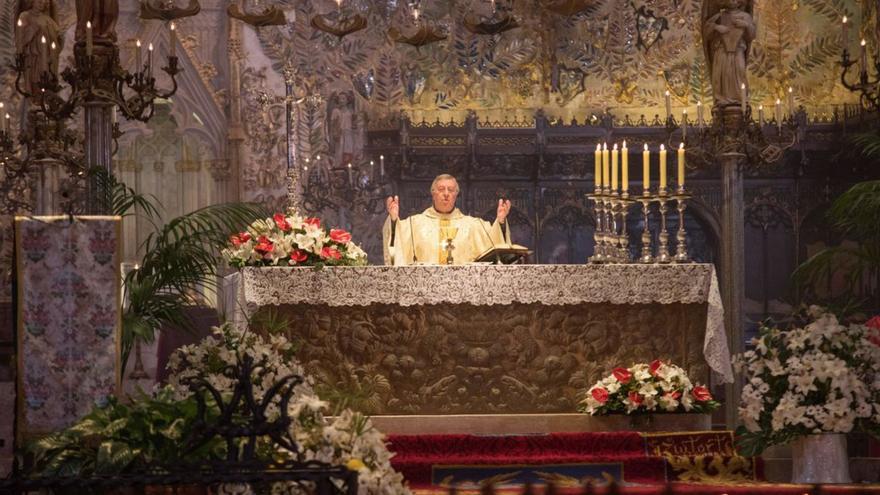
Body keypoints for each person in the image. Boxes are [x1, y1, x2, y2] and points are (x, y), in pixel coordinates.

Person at [383, 174, 512, 265]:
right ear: (433, 194)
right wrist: (394, 220)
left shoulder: (473, 225)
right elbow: (397, 240)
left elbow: (494, 245)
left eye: (450, 190)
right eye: (441, 189)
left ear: (456, 195)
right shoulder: (414, 224)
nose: (446, 194)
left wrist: (500, 222)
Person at [701, 0, 755, 108]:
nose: (732, 1)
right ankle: (722, 99)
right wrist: (717, 27)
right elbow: (706, 31)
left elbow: (752, 35)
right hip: (721, 50)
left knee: (739, 70)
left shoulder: (745, 16)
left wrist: (745, 25)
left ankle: (740, 99)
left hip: (738, 50)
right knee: (722, 73)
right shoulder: (719, 16)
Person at [15, 0, 62, 96]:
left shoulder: (47, 19)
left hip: (46, 57)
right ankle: (35, 98)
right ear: (31, 2)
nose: (42, 3)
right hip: (33, 56)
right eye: (39, 1)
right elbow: (20, 37)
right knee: (35, 78)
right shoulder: (25, 16)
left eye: (44, 1)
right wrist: (32, 31)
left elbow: (58, 33)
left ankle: (45, 98)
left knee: (46, 77)